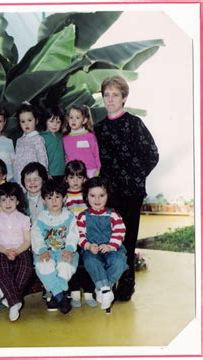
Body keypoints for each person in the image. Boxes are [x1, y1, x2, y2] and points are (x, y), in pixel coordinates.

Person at [95, 75, 159, 301]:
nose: (110, 99)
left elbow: (152, 154)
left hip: (131, 194)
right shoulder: (99, 129)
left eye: (115, 95)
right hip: (108, 197)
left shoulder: (134, 123)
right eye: (106, 95)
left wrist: (134, 178)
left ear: (123, 98)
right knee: (109, 240)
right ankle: (109, 284)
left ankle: (127, 285)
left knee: (128, 240)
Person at [76, 177, 128, 311]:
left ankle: (102, 288)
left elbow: (120, 232)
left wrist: (110, 246)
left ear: (107, 196)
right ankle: (106, 290)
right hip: (92, 249)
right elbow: (79, 234)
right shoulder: (82, 216)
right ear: (86, 197)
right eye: (92, 196)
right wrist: (87, 245)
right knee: (90, 261)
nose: (97, 200)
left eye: (101, 195)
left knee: (119, 262)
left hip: (112, 248)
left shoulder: (113, 215)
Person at [31, 180, 79, 315]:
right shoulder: (41, 218)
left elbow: (73, 234)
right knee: (44, 265)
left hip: (65, 251)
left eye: (57, 197)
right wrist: (42, 250)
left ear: (64, 198)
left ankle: (55, 294)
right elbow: (36, 235)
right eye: (49, 198)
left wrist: (69, 249)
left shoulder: (69, 217)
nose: (54, 201)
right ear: (44, 200)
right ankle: (61, 296)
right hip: (46, 252)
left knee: (65, 266)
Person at [0, 182, 34, 321]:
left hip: (21, 249)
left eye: (11, 199)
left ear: (18, 200)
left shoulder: (24, 219)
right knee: (1, 267)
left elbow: (27, 241)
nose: (8, 203)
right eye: (3, 199)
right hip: (1, 250)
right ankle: (15, 302)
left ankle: (10, 299)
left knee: (26, 267)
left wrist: (17, 251)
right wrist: (6, 251)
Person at [63, 160, 97, 308]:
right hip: (70, 237)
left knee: (89, 262)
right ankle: (75, 293)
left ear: (84, 178)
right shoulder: (64, 196)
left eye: (79, 177)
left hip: (87, 236)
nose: (75, 181)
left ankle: (89, 292)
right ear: (66, 179)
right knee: (72, 263)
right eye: (71, 177)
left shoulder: (88, 195)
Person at [14, 102, 48, 186]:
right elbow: (16, 161)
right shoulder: (19, 140)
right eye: (23, 121)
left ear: (36, 121)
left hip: (34, 178)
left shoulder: (38, 139)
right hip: (20, 178)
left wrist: (43, 175)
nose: (26, 124)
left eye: (29, 120)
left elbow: (42, 158)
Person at [63, 104, 100, 178]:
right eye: (71, 117)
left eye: (77, 117)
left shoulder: (90, 136)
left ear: (84, 120)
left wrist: (98, 169)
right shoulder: (65, 138)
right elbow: (66, 158)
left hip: (91, 171)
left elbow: (97, 154)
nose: (73, 120)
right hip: (74, 174)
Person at [40, 105, 66, 182]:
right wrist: (45, 173)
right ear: (45, 121)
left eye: (58, 122)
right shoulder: (41, 138)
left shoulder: (61, 136)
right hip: (49, 174)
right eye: (51, 121)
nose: (55, 125)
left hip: (62, 173)